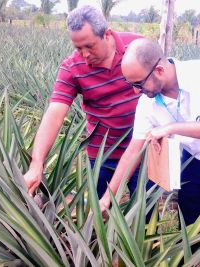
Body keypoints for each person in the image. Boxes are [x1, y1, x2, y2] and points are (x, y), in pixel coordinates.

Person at [99, 38, 200, 261]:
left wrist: (171, 127)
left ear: (160, 70)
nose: (136, 92)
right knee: (187, 234)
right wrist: (108, 197)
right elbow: (133, 150)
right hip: (194, 163)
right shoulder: (147, 104)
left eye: (138, 84)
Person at [24, 5, 153, 203]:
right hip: (104, 153)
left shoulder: (137, 47)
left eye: (89, 46)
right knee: (100, 211)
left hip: (144, 149)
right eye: (78, 47)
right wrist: (36, 163)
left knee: (144, 210)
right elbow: (55, 114)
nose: (84, 54)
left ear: (107, 34)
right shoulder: (72, 68)